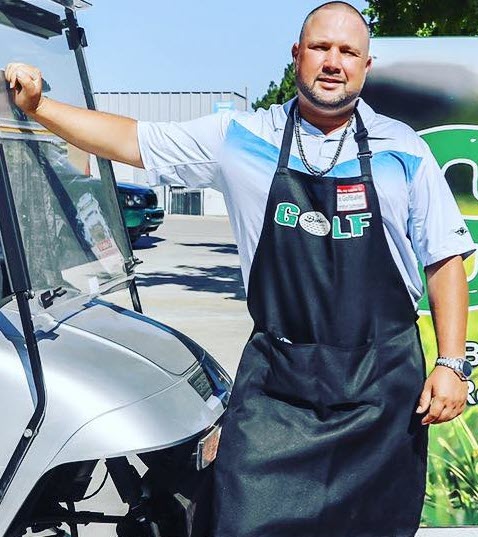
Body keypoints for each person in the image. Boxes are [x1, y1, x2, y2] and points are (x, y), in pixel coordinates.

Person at [5, 2, 476, 535]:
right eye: (320, 47)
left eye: (348, 52)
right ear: (297, 55)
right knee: (241, 520)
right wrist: (41, 106)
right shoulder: (241, 137)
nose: (333, 62)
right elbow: (132, 141)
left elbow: (444, 258)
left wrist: (452, 364)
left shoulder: (405, 150)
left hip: (382, 388)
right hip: (279, 385)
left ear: (366, 66)